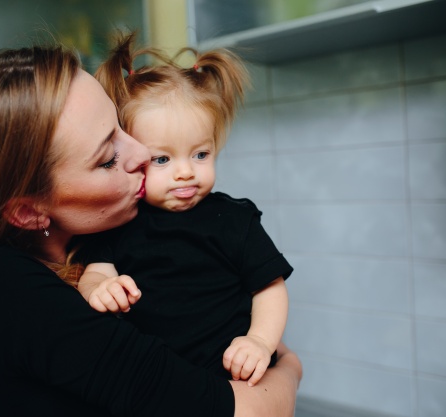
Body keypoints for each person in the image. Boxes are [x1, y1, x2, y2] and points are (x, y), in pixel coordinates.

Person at [0, 45, 301, 417]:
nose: (142, 154)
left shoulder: (99, 240)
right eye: (107, 158)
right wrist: (288, 367)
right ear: (29, 212)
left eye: (119, 126)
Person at [76, 33, 292, 387]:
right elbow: (96, 272)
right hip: (158, 385)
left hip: (231, 378)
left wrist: (259, 341)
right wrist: (99, 288)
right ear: (129, 155)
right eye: (162, 158)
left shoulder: (235, 220)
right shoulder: (119, 221)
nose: (186, 171)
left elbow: (269, 289)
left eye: (200, 154)